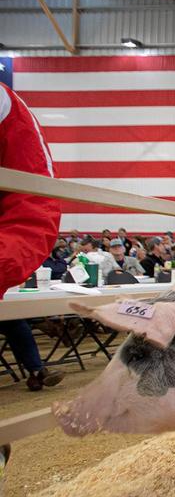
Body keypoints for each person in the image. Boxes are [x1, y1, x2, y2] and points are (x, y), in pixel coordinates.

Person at [0, 82, 65, 391]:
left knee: (13, 320)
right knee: (13, 320)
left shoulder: (4, 104)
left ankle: (37, 368)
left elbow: (34, 207)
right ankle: (38, 367)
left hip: (10, 260)